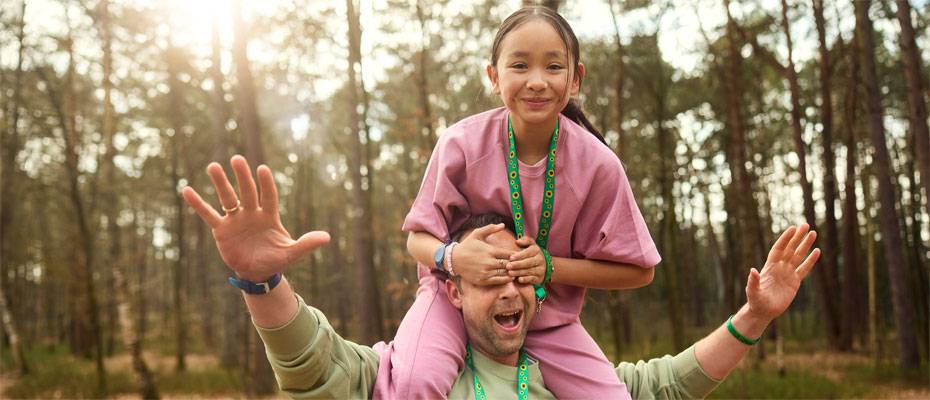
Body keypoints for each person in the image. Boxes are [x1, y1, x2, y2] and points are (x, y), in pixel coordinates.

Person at [180, 156, 821, 400]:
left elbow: (663, 386)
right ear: (453, 285)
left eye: (520, 271)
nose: (511, 288)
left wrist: (755, 318)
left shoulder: (560, 375)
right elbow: (313, 368)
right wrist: (263, 286)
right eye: (491, 271)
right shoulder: (403, 374)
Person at [398, 6, 658, 398]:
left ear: (575, 79)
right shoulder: (460, 143)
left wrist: (550, 266)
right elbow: (417, 238)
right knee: (415, 381)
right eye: (519, 66)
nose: (537, 82)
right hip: (453, 303)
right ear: (493, 76)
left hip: (548, 319)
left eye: (553, 67)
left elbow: (639, 272)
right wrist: (454, 258)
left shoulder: (598, 165)